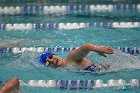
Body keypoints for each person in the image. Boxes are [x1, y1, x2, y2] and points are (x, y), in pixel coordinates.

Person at [39, 43, 114, 72]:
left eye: (51, 56)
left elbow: (86, 46)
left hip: (109, 69)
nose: (52, 60)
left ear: (55, 55)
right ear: (48, 67)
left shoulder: (70, 58)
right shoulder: (65, 67)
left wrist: (97, 49)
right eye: (48, 62)